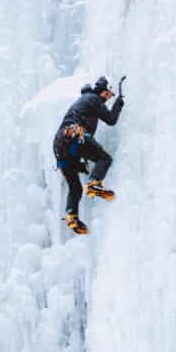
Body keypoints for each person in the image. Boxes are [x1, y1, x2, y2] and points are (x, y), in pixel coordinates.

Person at [52, 76, 124, 235]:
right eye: (107, 94)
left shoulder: (84, 101)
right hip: (73, 134)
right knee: (105, 158)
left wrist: (80, 162)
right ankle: (94, 183)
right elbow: (111, 119)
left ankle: (72, 216)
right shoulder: (92, 99)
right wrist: (119, 103)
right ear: (101, 91)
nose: (108, 98)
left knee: (75, 187)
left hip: (60, 146)